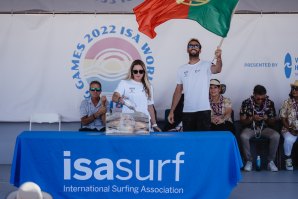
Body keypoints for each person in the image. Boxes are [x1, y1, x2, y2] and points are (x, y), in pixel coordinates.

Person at [168, 38, 222, 131]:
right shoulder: (181, 69)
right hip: (187, 111)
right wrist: (172, 111)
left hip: (204, 110)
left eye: (196, 46)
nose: (193, 47)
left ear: (200, 50)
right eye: (191, 45)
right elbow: (178, 91)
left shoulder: (207, 65)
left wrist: (219, 58)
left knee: (203, 142)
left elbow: (217, 69)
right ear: (187, 49)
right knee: (189, 143)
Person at [112, 59, 161, 132]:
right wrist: (119, 99)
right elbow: (114, 97)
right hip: (128, 123)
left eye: (141, 71)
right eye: (135, 71)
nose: (138, 73)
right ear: (132, 72)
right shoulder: (124, 83)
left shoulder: (149, 86)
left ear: (144, 72)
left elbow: (150, 107)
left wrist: (154, 125)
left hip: (144, 123)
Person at [240, 85, 280, 172]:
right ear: (254, 95)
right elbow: (242, 121)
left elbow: (273, 122)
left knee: (276, 136)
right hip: (250, 128)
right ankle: (249, 161)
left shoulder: (269, 103)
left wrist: (267, 119)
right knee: (243, 136)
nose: (261, 100)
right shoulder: (246, 103)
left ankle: (271, 162)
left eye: (263, 98)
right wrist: (252, 118)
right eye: (258, 98)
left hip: (265, 128)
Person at [280, 80, 298, 170]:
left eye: (296, 89)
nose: (294, 90)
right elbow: (283, 118)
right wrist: (290, 129)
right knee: (288, 139)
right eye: (293, 88)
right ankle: (288, 159)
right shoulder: (287, 102)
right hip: (289, 129)